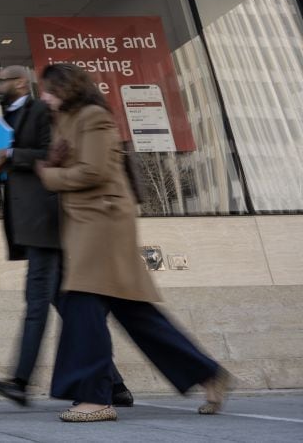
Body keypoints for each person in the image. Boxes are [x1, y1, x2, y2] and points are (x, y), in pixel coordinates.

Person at [35, 63, 230, 423]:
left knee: (81, 306)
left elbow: (94, 171)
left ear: (67, 88)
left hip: (102, 222)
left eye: (49, 89)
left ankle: (95, 397)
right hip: (85, 223)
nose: (43, 96)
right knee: (135, 313)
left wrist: (50, 175)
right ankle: (207, 373)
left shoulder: (94, 116)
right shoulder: (64, 120)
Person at [0, 66, 131, 408]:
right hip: (32, 222)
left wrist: (11, 156)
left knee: (37, 301)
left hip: (47, 220)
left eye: (1, 81)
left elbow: (56, 154)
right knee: (63, 304)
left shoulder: (41, 111)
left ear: (20, 83)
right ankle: (114, 384)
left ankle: (20, 381)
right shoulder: (8, 118)